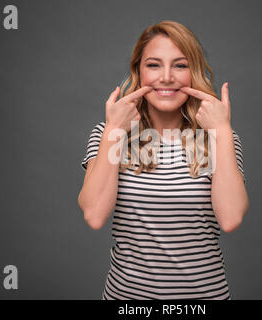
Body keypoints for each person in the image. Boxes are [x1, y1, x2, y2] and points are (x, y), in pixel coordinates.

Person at [78, 20, 249, 300]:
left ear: (193, 73)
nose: (167, 77)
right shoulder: (109, 135)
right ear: (139, 71)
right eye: (154, 65)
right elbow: (94, 215)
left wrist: (222, 131)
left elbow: (230, 219)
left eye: (180, 65)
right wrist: (113, 130)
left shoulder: (217, 139)